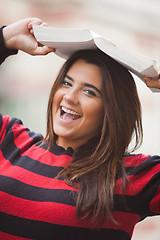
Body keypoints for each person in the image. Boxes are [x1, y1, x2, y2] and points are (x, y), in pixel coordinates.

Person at [0, 18, 159, 240]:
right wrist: (6, 39)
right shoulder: (9, 138)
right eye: (66, 83)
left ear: (112, 111)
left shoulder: (133, 176)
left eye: (89, 92)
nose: (70, 97)